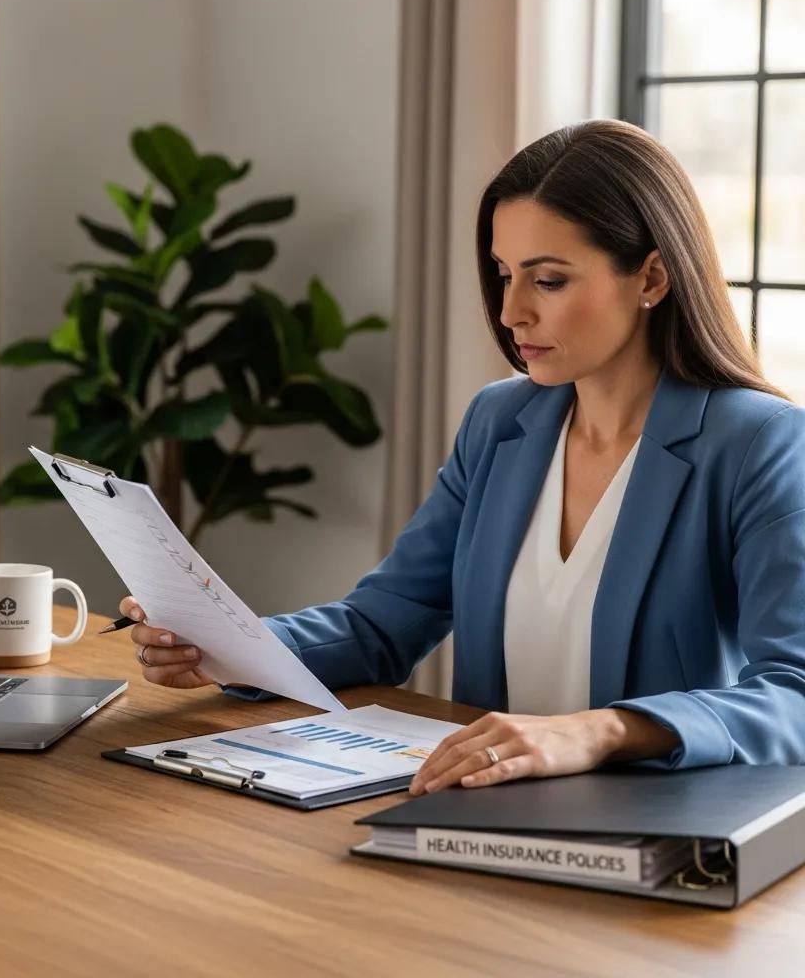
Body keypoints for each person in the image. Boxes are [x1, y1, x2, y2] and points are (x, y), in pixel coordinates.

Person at [119, 119, 805, 794]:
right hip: (481, 817)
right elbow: (381, 625)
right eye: (504, 274)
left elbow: (794, 693)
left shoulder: (758, 444)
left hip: (648, 839)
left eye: (549, 280)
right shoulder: (500, 423)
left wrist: (600, 730)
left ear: (651, 276)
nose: (510, 312)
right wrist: (226, 644)